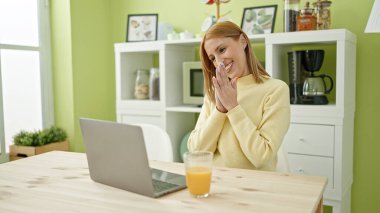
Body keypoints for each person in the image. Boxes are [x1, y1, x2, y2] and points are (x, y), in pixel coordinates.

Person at [187, 21, 290, 171]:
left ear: (243, 41)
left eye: (222, 50)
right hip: (215, 181)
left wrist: (233, 107)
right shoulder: (216, 92)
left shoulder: (275, 90)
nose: (219, 62)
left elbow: (261, 157)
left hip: (254, 186)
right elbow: (196, 151)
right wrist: (220, 110)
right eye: (213, 58)